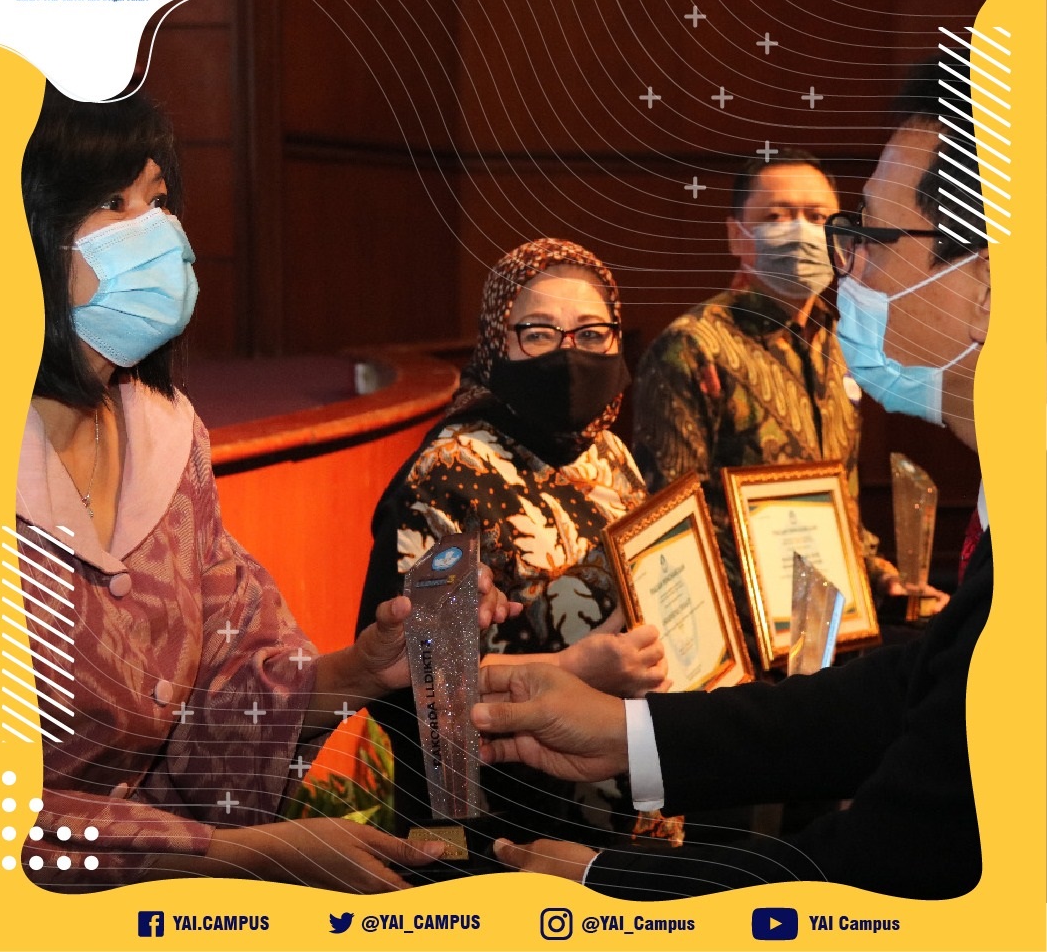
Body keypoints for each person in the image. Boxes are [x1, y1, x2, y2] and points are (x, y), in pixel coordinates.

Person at [471, 70, 992, 899]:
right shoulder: (697, 347)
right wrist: (633, 735)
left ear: (988, 291)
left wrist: (613, 881)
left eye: (869, 235)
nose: (844, 263)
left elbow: (906, 853)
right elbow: (920, 691)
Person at [14, 86, 516, 893]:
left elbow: (220, 698)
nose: (159, 234)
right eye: (113, 203)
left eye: (160, 200)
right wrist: (242, 856)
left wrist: (361, 669)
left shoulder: (167, 439)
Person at [357, 238, 667, 843]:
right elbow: (405, 683)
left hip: (621, 827)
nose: (569, 354)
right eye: (539, 333)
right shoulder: (450, 473)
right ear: (499, 340)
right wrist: (574, 670)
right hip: (504, 835)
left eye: (592, 333)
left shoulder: (609, 453)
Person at [632, 150, 920, 663]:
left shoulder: (841, 346)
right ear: (737, 235)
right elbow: (670, 528)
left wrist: (881, 578)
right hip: (744, 650)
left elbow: (842, 504)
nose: (801, 231)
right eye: (776, 215)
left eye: (817, 216)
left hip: (838, 638)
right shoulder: (692, 349)